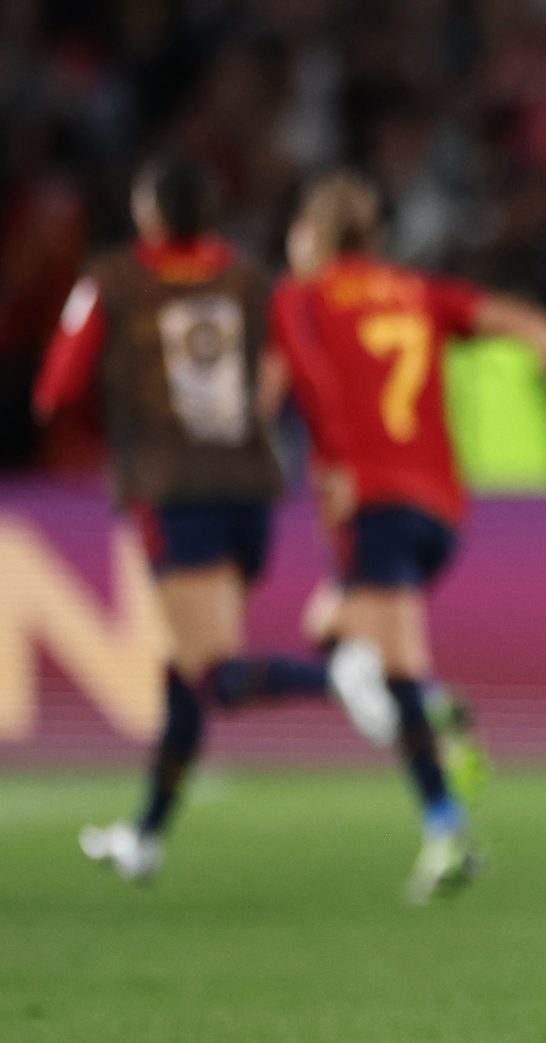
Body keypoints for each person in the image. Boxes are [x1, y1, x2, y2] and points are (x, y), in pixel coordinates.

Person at [267, 170, 546, 903]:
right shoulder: (418, 292)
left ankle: (447, 829)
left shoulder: (300, 298)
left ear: (313, 236)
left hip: (372, 501)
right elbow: (537, 327)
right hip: (442, 507)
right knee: (335, 637)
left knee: (392, 667)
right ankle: (439, 715)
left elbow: (266, 394)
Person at [32, 155, 349, 883]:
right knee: (183, 668)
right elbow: (306, 375)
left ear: (148, 216)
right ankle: (145, 835)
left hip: (174, 492)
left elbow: (55, 390)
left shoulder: (111, 281)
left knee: (212, 671)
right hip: (251, 494)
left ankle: (363, 681)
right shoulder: (254, 280)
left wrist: (123, 423)